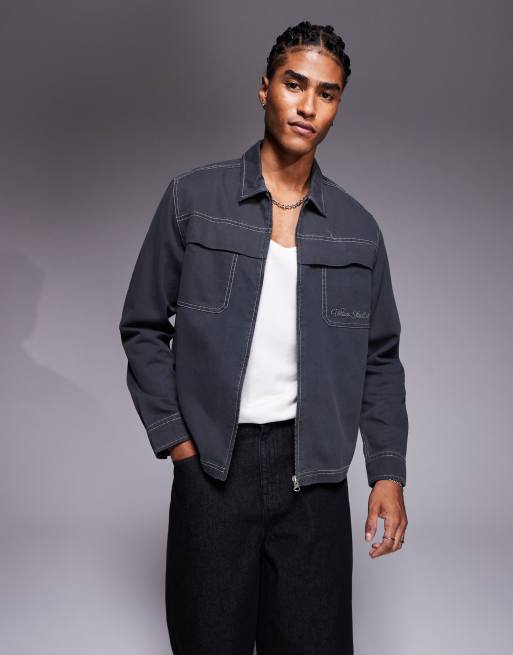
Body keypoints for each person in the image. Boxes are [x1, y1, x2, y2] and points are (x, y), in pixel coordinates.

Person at [119, 20, 409, 655]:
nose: (308, 106)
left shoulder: (359, 230)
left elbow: (381, 360)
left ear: (337, 105)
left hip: (315, 478)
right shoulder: (193, 199)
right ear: (265, 88)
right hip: (214, 468)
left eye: (326, 93)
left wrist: (387, 474)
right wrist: (178, 444)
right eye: (294, 84)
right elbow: (142, 326)